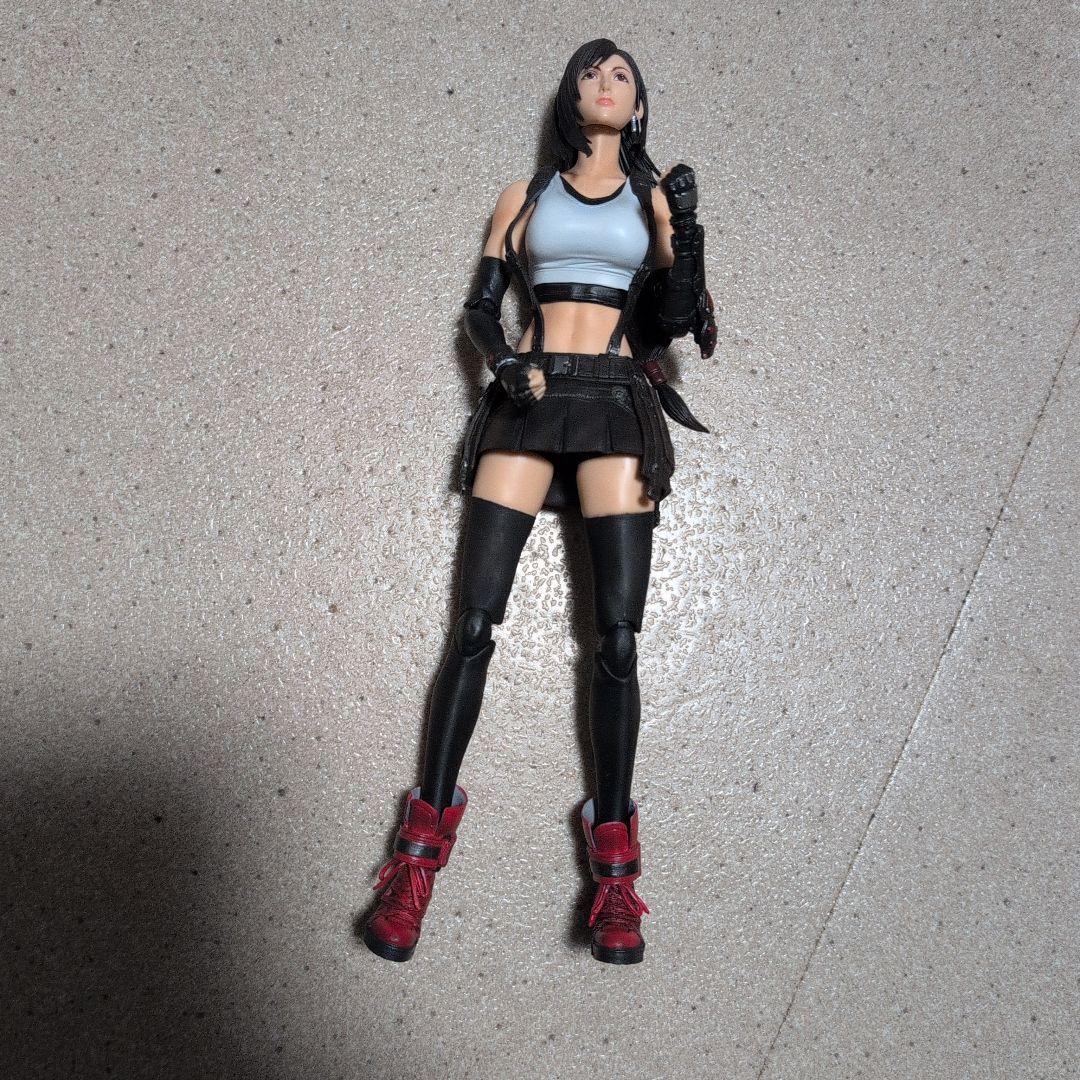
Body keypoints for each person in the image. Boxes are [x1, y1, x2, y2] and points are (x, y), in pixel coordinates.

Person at [362, 37, 714, 965]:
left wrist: (689, 231)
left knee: (619, 640)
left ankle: (616, 877)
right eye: (592, 72)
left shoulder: (652, 199)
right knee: (474, 625)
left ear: (639, 105)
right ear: (571, 94)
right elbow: (481, 308)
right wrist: (502, 362)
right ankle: (415, 861)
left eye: (622, 75)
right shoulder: (524, 196)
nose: (606, 83)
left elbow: (677, 318)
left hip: (615, 401)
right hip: (531, 394)